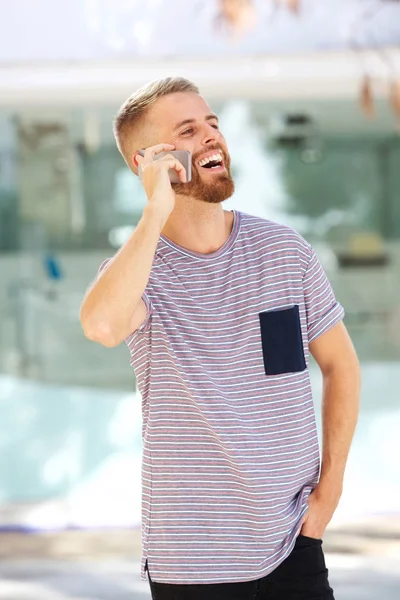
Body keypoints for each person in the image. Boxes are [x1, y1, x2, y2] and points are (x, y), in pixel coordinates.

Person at [80, 77, 360, 600]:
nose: (212, 137)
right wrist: (154, 211)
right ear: (147, 161)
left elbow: (341, 366)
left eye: (212, 123)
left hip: (293, 540)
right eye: (188, 129)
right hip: (193, 559)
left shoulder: (284, 251)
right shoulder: (139, 272)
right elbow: (100, 325)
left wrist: (330, 490)